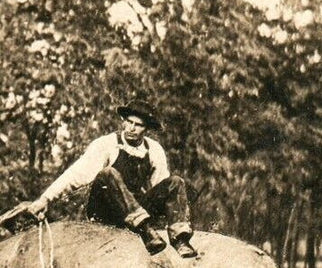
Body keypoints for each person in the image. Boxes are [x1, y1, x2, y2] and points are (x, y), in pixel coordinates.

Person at [26, 101, 197, 257]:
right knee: (108, 173)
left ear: (146, 129)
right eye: (129, 122)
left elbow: (159, 186)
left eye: (138, 125)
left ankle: (180, 239)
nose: (131, 128)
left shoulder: (154, 149)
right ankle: (144, 230)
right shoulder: (106, 144)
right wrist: (46, 199)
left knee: (175, 181)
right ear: (123, 121)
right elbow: (76, 174)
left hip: (136, 211)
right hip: (106, 210)